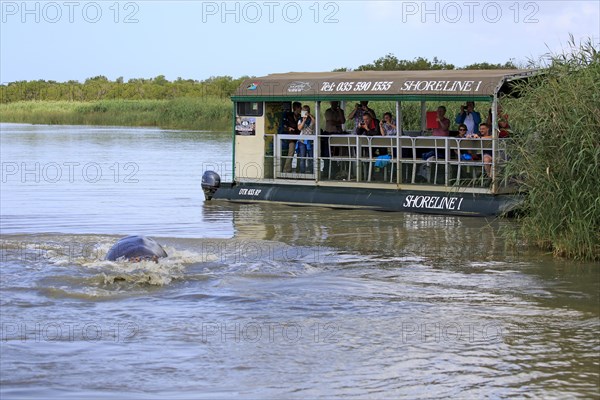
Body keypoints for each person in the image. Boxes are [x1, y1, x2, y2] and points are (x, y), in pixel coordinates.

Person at [282, 101, 302, 172]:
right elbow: (284, 125)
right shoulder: (288, 115)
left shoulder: (301, 116)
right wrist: (288, 128)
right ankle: (286, 169)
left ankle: (299, 169)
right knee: (291, 152)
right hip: (291, 136)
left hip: (300, 136)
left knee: (300, 152)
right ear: (295, 108)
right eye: (300, 107)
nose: (301, 109)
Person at [297, 105, 316, 174]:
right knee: (302, 158)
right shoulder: (300, 120)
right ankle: (302, 173)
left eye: (305, 111)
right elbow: (299, 128)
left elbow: (314, 123)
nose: (304, 113)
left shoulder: (312, 119)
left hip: (310, 140)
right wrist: (304, 121)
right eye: (303, 111)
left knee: (311, 158)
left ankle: (311, 172)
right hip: (302, 141)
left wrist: (310, 115)